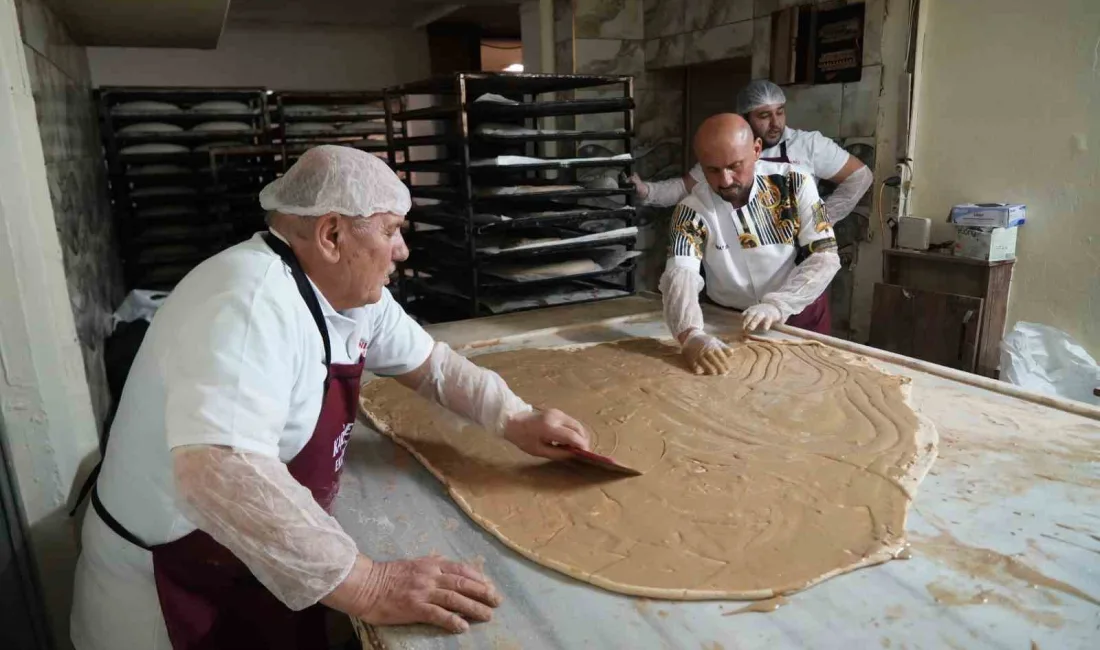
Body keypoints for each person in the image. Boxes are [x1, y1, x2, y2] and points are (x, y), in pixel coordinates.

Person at [70, 145, 593, 649]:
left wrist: (515, 418)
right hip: (169, 580)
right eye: (391, 231)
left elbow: (432, 365)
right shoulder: (247, 302)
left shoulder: (351, 294)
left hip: (251, 561)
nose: (403, 249)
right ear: (331, 234)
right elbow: (220, 471)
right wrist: (368, 585)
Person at [662, 115, 841, 375]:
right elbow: (680, 274)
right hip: (730, 320)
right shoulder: (691, 210)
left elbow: (825, 255)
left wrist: (779, 304)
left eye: (735, 166)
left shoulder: (794, 184)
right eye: (712, 170)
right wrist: (690, 335)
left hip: (797, 312)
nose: (725, 180)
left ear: (756, 149)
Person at [631, 80, 873, 226]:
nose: (776, 123)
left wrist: (822, 221)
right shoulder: (728, 147)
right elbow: (684, 188)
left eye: (780, 112)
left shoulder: (809, 145)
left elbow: (860, 176)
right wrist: (647, 192)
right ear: (744, 118)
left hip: (795, 256)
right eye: (764, 116)